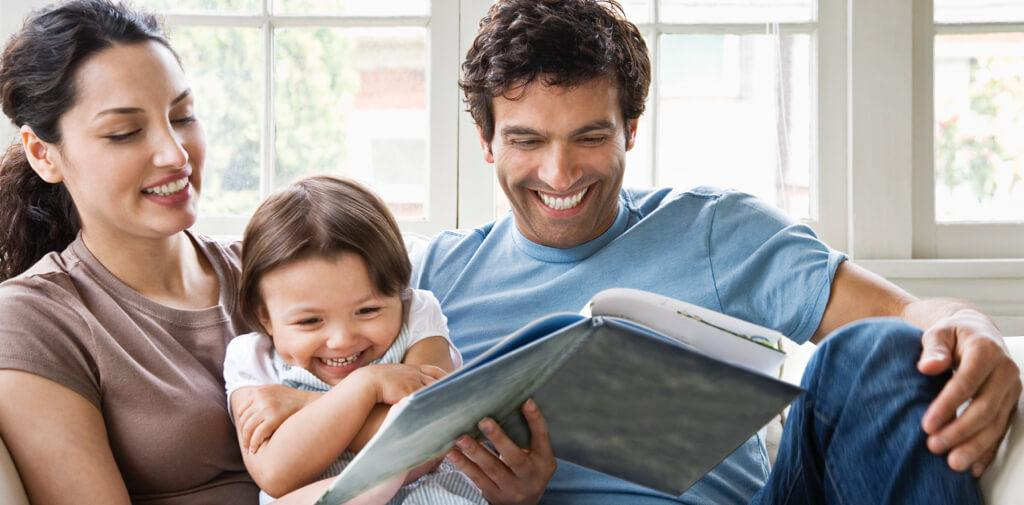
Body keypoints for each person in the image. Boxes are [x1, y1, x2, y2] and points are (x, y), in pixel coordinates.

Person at [409, 1, 1023, 504]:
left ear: (630, 130)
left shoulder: (714, 228)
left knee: (878, 353)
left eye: (590, 137)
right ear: (487, 141)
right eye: (527, 140)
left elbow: (907, 318)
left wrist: (966, 323)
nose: (559, 172)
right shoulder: (430, 279)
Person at [0, 2, 390, 504]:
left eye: (182, 116)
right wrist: (380, 477)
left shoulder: (272, 268)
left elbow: (407, 396)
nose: (174, 154)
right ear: (42, 153)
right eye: (125, 132)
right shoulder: (35, 320)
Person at [222, 175, 485, 504]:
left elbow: (424, 446)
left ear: (400, 292)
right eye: (310, 321)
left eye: (368, 310)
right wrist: (368, 386)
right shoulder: (251, 357)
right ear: (266, 318)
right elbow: (276, 472)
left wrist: (304, 405)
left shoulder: (417, 316)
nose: (342, 340)